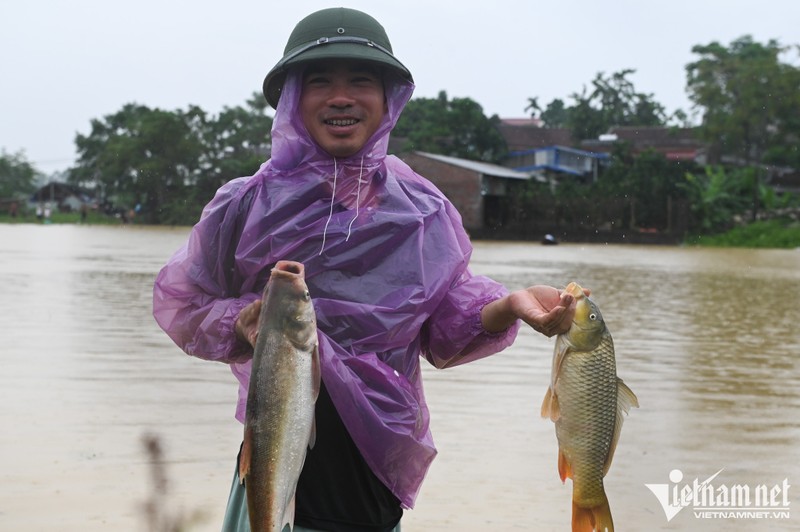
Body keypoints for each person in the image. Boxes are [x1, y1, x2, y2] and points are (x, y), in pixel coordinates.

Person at [152, 7, 579, 532]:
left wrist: (510, 304)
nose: (341, 96)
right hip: (274, 475)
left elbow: (446, 327)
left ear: (387, 100)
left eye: (360, 80)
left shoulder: (421, 210)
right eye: (319, 82)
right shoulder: (243, 206)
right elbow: (185, 304)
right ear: (291, 97)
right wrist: (241, 321)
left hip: (374, 485)